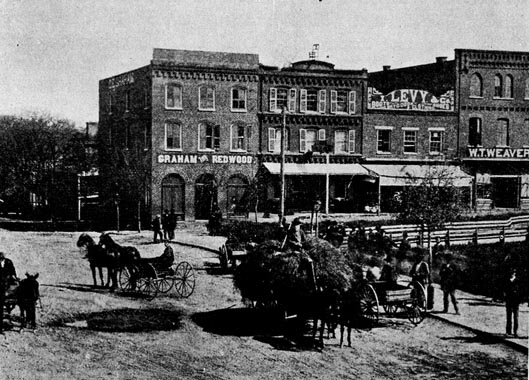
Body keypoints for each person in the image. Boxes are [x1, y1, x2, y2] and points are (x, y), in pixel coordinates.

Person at [0, 251, 17, 333]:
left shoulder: (9, 262)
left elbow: (13, 271)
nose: (1, 261)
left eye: (2, 259)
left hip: (7, 281)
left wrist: (14, 277)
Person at [504, 268, 522, 337]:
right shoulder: (507, 281)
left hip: (516, 302)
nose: (512, 274)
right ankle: (508, 332)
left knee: (516, 317)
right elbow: (504, 290)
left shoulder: (518, 281)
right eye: (511, 272)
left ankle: (515, 332)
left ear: (515, 273)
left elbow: (521, 291)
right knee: (509, 317)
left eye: (513, 272)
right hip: (509, 301)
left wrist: (519, 299)